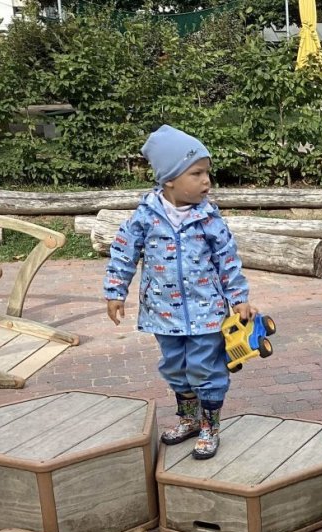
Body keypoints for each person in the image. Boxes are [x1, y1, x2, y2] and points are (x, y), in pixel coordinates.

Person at [103, 125, 256, 459]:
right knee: (174, 368)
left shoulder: (208, 217)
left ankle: (210, 426)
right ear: (169, 179)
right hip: (162, 313)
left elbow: (227, 259)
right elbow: (124, 251)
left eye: (207, 173)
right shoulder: (145, 217)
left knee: (205, 368)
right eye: (197, 173)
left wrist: (239, 298)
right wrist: (116, 291)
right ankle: (189, 419)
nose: (207, 182)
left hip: (208, 313)